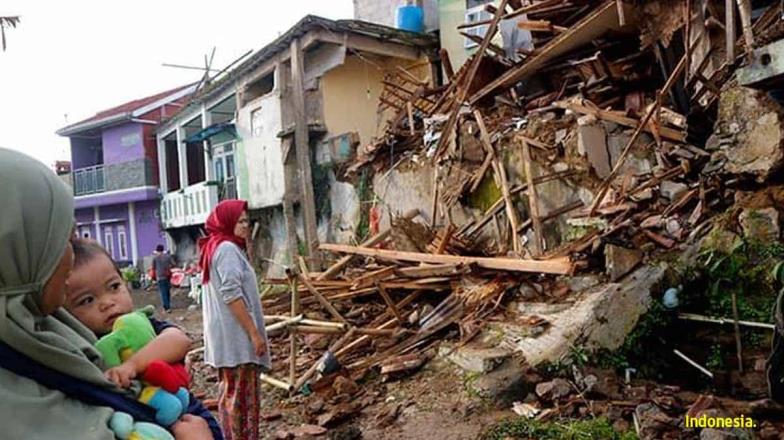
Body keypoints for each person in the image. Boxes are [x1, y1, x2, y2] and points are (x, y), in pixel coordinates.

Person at [0, 147, 213, 439]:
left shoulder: (49, 327)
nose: (71, 256)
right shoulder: (20, 387)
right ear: (17, 252)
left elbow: (177, 339)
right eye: (63, 239)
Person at [65, 238, 223, 439]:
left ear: (125, 284)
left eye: (113, 287)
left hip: (186, 414)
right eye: (87, 300)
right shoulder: (83, 347)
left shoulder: (141, 323)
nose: (107, 303)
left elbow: (179, 340)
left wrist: (132, 365)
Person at [199, 200, 270, 440]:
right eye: (240, 221)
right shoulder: (227, 249)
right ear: (227, 221)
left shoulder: (215, 247)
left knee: (231, 397)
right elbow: (232, 294)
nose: (245, 226)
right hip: (237, 340)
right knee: (241, 400)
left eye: (246, 221)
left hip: (227, 339)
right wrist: (253, 333)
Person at [153, 244, 176, 313]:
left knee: (163, 292)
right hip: (167, 276)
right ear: (163, 250)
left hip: (160, 277)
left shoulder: (155, 258)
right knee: (167, 291)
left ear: (157, 250)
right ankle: (168, 304)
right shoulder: (168, 257)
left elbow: (153, 267)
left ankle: (167, 307)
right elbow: (173, 264)